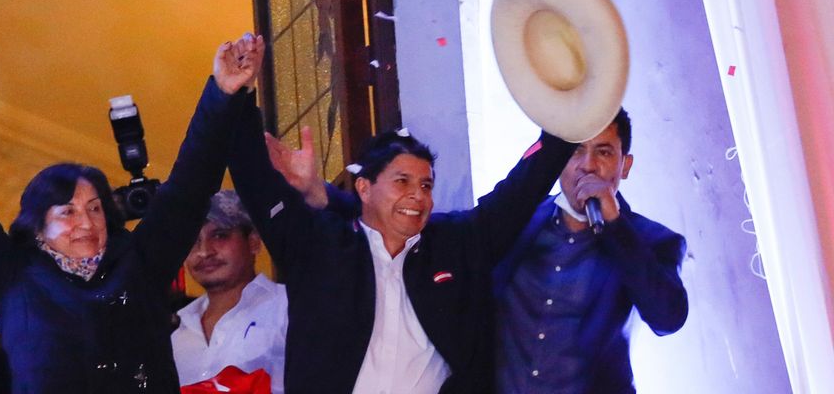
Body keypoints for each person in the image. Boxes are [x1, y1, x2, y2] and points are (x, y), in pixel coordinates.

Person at [0, 34, 265, 392]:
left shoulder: (139, 262)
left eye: (95, 208)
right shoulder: (14, 277)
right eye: (68, 212)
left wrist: (222, 93)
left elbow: (190, 185)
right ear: (38, 227)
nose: (86, 222)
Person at [231, 114, 578, 391]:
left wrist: (573, 114)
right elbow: (255, 186)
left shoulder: (456, 244)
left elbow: (522, 189)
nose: (418, 195)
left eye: (426, 185)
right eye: (402, 181)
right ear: (364, 189)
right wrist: (236, 94)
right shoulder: (322, 247)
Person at [491, 109, 687, 393]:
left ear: (625, 166)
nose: (588, 165)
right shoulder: (518, 218)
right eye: (575, 150)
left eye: (603, 153)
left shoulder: (651, 239)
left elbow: (668, 318)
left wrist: (615, 226)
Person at [171, 190, 287, 393]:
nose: (204, 251)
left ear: (253, 242)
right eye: (192, 240)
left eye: (219, 235)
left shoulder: (285, 308)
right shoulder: (177, 333)